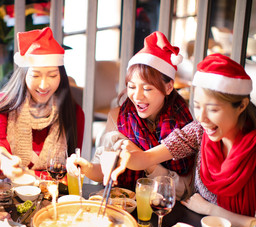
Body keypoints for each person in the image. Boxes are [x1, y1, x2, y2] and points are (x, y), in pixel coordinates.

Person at [112, 53, 256, 227]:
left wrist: (211, 210)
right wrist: (123, 156)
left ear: (241, 106)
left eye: (212, 109)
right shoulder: (198, 131)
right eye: (197, 106)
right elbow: (146, 158)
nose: (202, 118)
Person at [67, 31, 194, 199]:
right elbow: (104, 169)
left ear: (169, 87)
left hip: (166, 210)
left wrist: (145, 161)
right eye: (132, 87)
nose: (137, 96)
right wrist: (85, 167)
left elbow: (183, 190)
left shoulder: (184, 125)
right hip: (124, 205)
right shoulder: (119, 116)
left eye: (148, 88)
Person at [0, 27, 84, 181]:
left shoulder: (73, 111)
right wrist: (6, 162)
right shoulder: (5, 102)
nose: (43, 85)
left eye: (52, 75)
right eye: (35, 75)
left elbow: (72, 169)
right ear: (24, 74)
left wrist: (32, 176)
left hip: (53, 193)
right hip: (8, 188)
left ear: (61, 76)